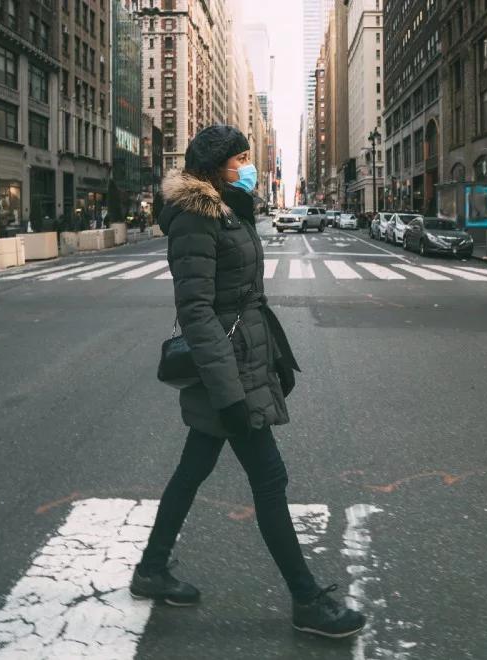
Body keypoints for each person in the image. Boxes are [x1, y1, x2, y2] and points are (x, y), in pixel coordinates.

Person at [130, 125, 366, 639]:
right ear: (215, 165)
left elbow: (244, 297)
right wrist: (228, 391)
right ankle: (306, 600)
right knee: (270, 480)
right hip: (227, 370)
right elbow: (196, 310)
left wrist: (275, 356)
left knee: (193, 469)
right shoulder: (197, 217)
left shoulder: (227, 208)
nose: (247, 165)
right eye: (239, 158)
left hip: (243, 359)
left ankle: (151, 569)